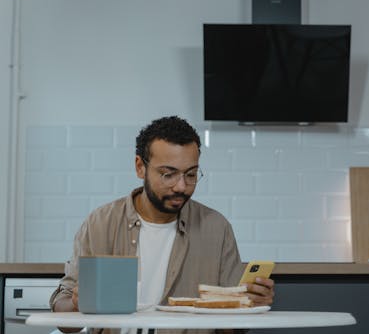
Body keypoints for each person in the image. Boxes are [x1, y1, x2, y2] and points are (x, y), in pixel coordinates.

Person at [49, 116, 275, 334]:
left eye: (191, 174)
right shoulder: (100, 223)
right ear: (140, 167)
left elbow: (231, 328)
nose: (181, 186)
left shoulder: (216, 228)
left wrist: (249, 306)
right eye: (168, 174)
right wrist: (77, 304)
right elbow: (65, 318)